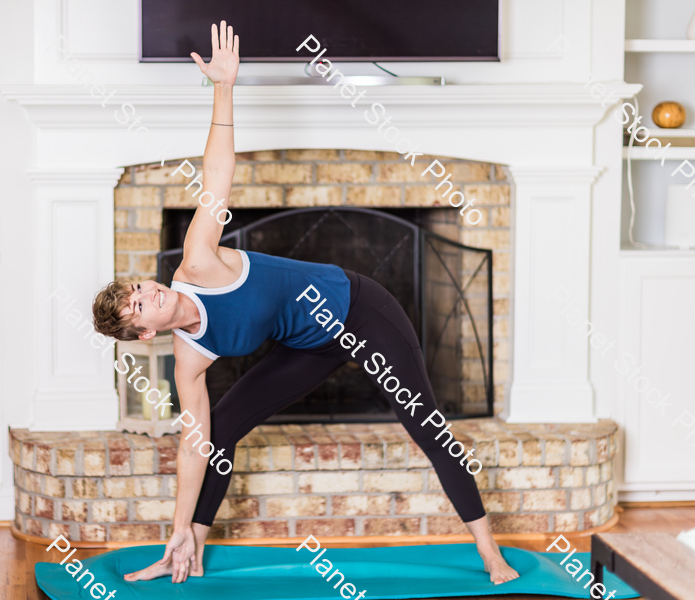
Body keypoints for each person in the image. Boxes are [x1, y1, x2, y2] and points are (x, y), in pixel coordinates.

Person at [92, 21, 520, 586]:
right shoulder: (189, 361)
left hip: (360, 311)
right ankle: (186, 553)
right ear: (145, 334)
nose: (149, 293)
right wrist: (176, 526)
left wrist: (223, 88)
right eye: (139, 306)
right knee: (219, 432)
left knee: (426, 425)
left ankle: (493, 556)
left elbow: (218, 175)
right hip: (309, 345)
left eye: (140, 288)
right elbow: (195, 450)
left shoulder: (196, 262)